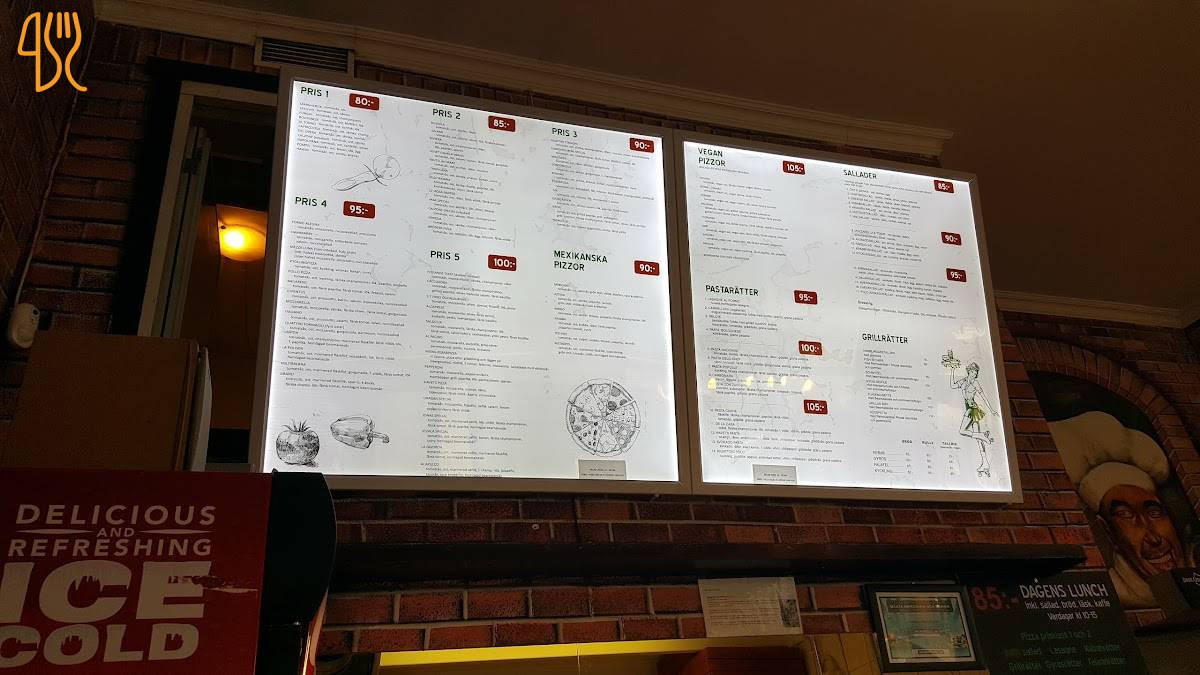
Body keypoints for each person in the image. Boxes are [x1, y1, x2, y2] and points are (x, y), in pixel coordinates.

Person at [1049, 411, 1196, 607]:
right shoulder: (1113, 593)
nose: (1154, 538)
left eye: (1154, 513)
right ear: (1107, 530)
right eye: (1125, 515)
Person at [943, 351, 997, 477]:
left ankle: (982, 436)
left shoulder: (975, 383)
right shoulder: (964, 381)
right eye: (973, 371)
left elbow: (983, 397)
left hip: (972, 409)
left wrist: (992, 409)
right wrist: (952, 370)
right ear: (969, 371)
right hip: (969, 408)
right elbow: (952, 385)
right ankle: (985, 463)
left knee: (962, 431)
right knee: (978, 439)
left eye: (976, 372)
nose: (975, 374)